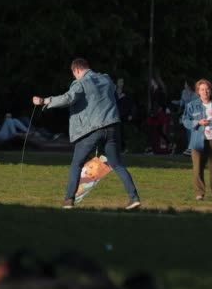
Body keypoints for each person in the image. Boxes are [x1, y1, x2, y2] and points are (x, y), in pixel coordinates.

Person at [32, 58, 141, 210]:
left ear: (76, 70)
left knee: (76, 163)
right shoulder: (106, 79)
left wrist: (44, 101)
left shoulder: (80, 83)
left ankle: (69, 200)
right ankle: (134, 198)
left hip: (94, 129)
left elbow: (68, 98)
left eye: (74, 75)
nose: (74, 78)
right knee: (117, 164)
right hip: (113, 127)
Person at [182, 79, 212, 203]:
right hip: (198, 141)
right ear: (198, 91)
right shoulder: (192, 105)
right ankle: (199, 194)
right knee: (197, 170)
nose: (205, 91)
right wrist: (197, 122)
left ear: (211, 90)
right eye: (202, 89)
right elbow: (185, 121)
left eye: (207, 89)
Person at [172, 79, 195, 155]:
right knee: (187, 131)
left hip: (194, 115)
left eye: (185, 84)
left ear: (188, 85)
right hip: (186, 114)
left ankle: (192, 148)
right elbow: (182, 102)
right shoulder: (184, 92)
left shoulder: (196, 94)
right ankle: (189, 148)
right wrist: (176, 102)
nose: (184, 85)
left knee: (192, 132)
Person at [116, 77, 134, 153]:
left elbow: (130, 104)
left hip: (123, 114)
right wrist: (119, 97)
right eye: (119, 82)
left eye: (122, 82)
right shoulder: (114, 92)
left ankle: (123, 147)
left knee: (122, 131)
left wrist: (130, 114)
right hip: (116, 114)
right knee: (116, 131)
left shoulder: (126, 92)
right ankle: (117, 148)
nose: (121, 84)